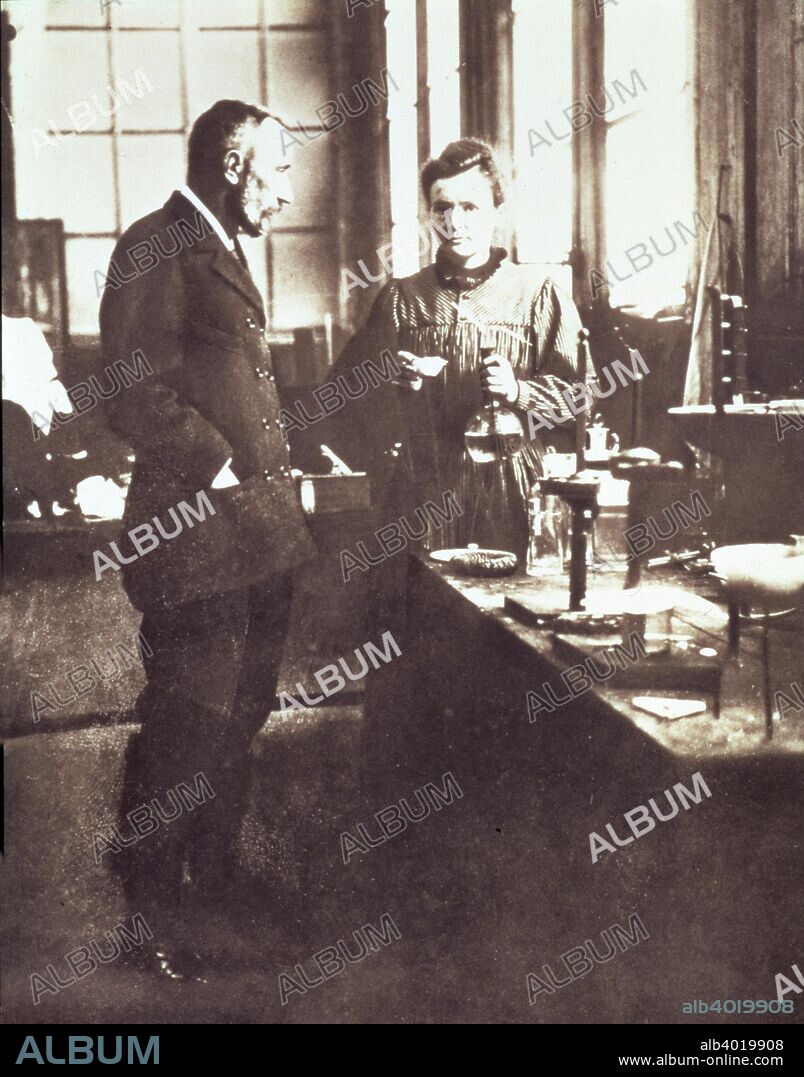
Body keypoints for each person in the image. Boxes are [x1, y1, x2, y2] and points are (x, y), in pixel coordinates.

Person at [99, 100, 317, 982]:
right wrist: (223, 465)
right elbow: (129, 390)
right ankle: (148, 912)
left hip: (257, 537)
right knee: (185, 724)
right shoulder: (155, 245)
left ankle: (214, 878)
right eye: (279, 169)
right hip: (192, 541)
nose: (287, 191)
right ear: (233, 166)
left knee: (242, 713)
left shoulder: (219, 246)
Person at [328, 138, 589, 560]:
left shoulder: (539, 295)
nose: (454, 222)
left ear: (497, 213)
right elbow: (345, 399)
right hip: (422, 495)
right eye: (442, 208)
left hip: (512, 496)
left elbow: (580, 399)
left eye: (470, 207)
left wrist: (518, 390)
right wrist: (393, 383)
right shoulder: (401, 298)